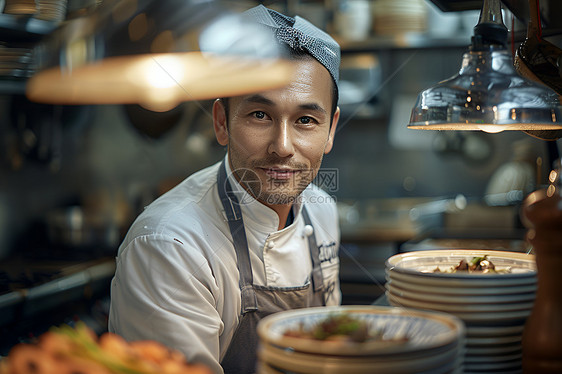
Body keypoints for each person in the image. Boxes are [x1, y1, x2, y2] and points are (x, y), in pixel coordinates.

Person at [108, 5, 342, 373]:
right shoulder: (170, 248)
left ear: (330, 130)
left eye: (306, 120)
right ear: (221, 122)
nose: (282, 146)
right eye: (260, 115)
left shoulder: (322, 211)